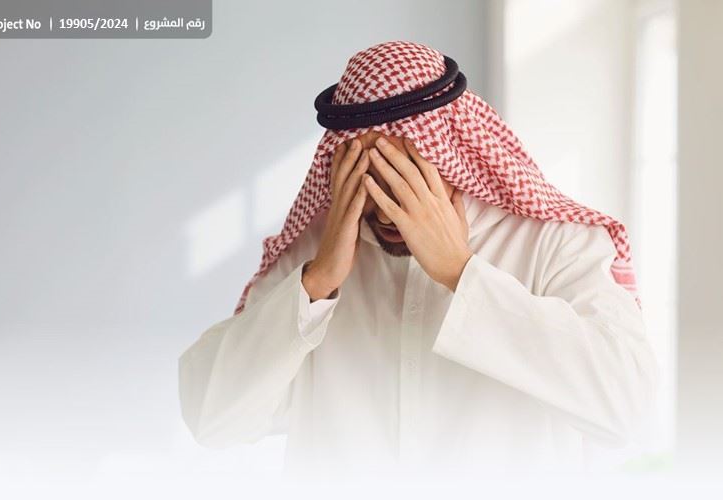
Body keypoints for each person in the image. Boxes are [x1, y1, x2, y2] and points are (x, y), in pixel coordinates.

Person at [178, 41, 658, 480]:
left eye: (404, 174)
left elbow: (627, 408)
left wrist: (460, 272)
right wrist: (316, 285)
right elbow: (211, 419)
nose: (387, 208)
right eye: (369, 176)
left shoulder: (553, 242)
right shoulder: (315, 254)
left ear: (453, 153)